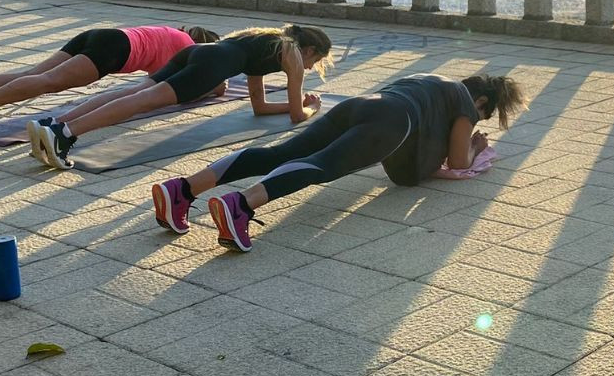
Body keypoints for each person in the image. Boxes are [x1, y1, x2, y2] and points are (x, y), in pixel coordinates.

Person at [151, 73, 524, 250]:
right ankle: (240, 205)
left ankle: (182, 190)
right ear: (481, 102)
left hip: (360, 105)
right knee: (321, 165)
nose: (475, 121)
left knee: (281, 153)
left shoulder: (432, 81)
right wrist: (474, 146)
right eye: (481, 116)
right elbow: (458, 160)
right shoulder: (465, 103)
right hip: (394, 121)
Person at [34, 24, 334, 170]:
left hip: (195, 52)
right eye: (316, 60)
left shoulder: (266, 40)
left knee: (133, 93)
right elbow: (297, 116)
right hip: (211, 66)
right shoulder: (293, 55)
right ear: (309, 50)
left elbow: (260, 106)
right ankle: (65, 134)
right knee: (140, 102)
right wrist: (311, 108)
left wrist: (296, 104)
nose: (310, 67)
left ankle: (54, 125)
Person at [0, 24, 219, 143]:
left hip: (102, 35)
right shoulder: (188, 49)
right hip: (114, 50)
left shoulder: (172, 34)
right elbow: (185, 87)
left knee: (34, 73)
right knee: (48, 82)